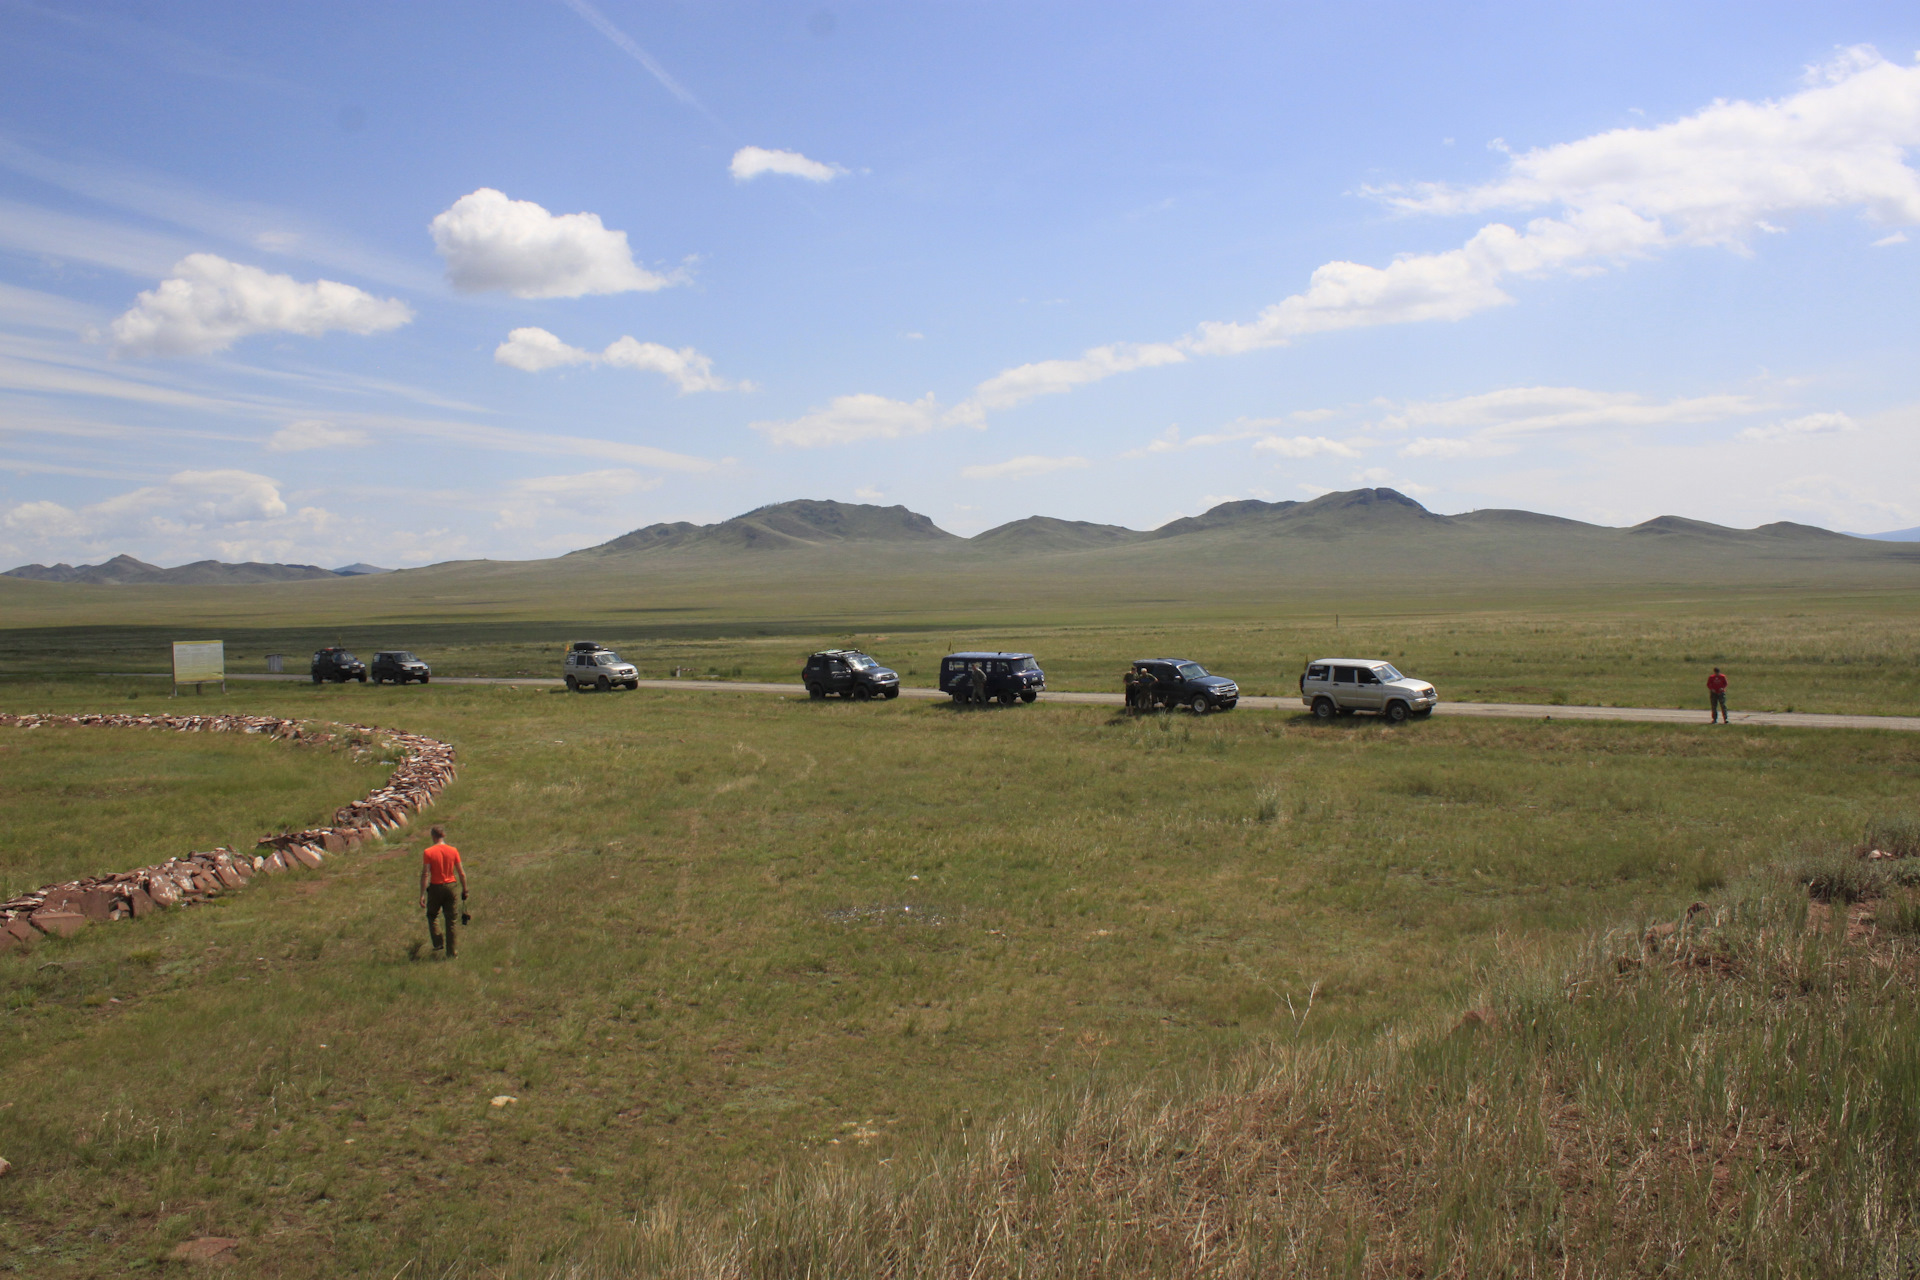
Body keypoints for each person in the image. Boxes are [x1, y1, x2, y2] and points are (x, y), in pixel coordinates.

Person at [418, 825, 467, 958]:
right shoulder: (453, 850)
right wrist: (464, 888)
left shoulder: (428, 852)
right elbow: (461, 873)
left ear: (433, 836)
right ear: (443, 836)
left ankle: (438, 942)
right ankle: (452, 953)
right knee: (451, 920)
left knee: (432, 915)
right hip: (451, 886)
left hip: (436, 887)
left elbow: (425, 874)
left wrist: (422, 894)